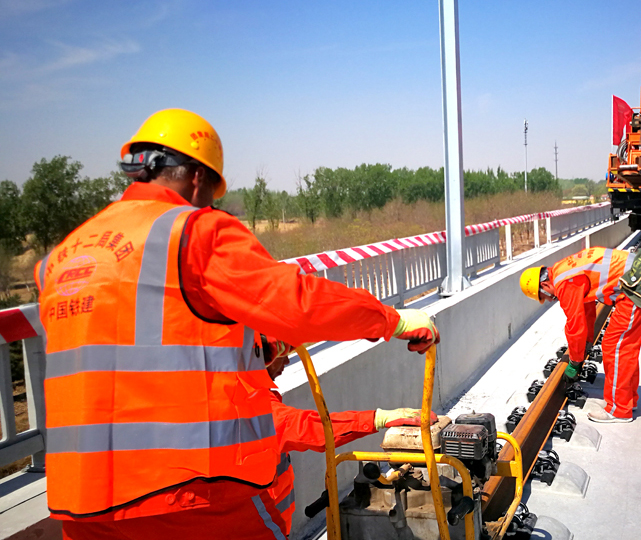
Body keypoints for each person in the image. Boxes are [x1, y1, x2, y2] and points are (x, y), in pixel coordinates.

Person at [34, 109, 440, 540]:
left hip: (83, 503)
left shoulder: (61, 258)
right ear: (197, 177)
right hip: (190, 493)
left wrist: (264, 345)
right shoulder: (190, 232)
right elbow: (297, 304)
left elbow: (153, 345)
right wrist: (392, 320)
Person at [259, 337, 430, 536]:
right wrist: (377, 419)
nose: (288, 361)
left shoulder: (252, 395)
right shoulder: (253, 407)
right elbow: (307, 428)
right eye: (281, 353)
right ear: (257, 356)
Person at [519, 246, 641, 423]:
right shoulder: (563, 269)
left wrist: (575, 362)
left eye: (545, 297)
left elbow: (575, 325)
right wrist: (587, 343)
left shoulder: (564, 283)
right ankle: (627, 400)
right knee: (625, 348)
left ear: (544, 285)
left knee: (615, 347)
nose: (550, 299)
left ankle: (619, 409)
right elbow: (586, 310)